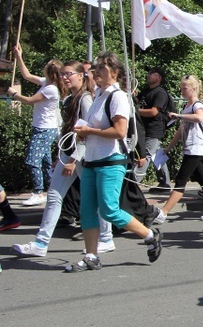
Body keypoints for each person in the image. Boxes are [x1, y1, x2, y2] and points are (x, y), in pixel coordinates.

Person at [68, 51, 162, 272]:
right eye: (96, 68)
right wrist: (83, 134)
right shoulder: (98, 96)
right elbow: (96, 128)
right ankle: (91, 256)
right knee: (87, 211)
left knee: (109, 210)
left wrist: (89, 130)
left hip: (111, 160)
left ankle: (150, 235)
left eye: (101, 68)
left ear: (115, 72)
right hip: (92, 160)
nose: (96, 72)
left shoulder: (117, 96)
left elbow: (120, 131)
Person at [13, 61, 115, 257]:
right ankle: (41, 244)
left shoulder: (85, 99)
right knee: (53, 196)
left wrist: (73, 159)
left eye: (68, 74)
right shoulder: (71, 97)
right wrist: (62, 156)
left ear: (80, 76)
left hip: (82, 155)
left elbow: (86, 132)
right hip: (69, 153)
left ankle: (106, 238)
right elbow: (67, 129)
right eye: (62, 75)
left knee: (94, 198)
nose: (64, 78)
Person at [157, 75, 203, 221]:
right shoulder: (186, 107)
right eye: (181, 88)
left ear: (193, 89)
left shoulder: (197, 106)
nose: (182, 91)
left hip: (197, 148)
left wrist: (179, 116)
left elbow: (199, 117)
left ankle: (163, 212)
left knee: (181, 180)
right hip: (190, 148)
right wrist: (167, 148)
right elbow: (180, 131)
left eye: (184, 88)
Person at [8, 44, 63, 207]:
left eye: (46, 66)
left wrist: (14, 94)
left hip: (45, 129)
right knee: (46, 162)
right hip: (41, 127)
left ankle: (38, 192)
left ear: (50, 71)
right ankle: (54, 189)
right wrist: (19, 56)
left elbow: (29, 101)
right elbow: (26, 75)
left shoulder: (52, 89)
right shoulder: (47, 83)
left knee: (32, 160)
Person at [135, 66, 173, 192]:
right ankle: (165, 183)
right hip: (144, 128)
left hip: (154, 129)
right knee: (157, 155)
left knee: (145, 155)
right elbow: (136, 100)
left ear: (159, 78)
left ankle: (132, 185)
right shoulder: (146, 91)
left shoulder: (160, 93)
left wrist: (135, 111)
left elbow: (153, 112)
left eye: (152, 73)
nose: (148, 75)